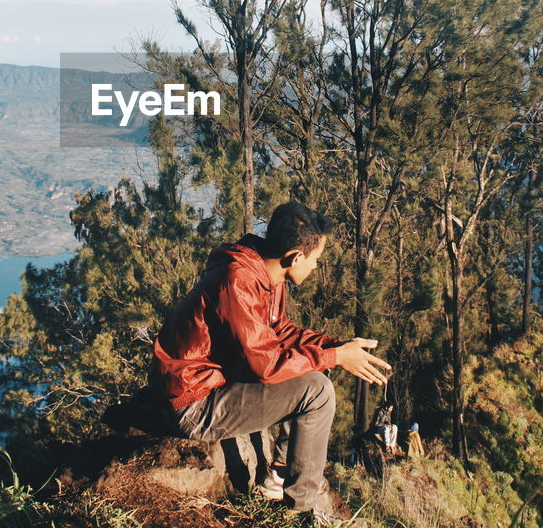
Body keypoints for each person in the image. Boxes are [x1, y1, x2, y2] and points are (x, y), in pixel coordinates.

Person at [150, 202, 392, 523]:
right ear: (294, 257)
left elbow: (278, 329)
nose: (317, 266)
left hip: (213, 383)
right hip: (192, 404)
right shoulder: (238, 281)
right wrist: (334, 356)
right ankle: (299, 509)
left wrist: (335, 348)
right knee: (318, 391)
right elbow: (265, 366)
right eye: (316, 260)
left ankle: (278, 473)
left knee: (317, 366)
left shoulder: (266, 273)